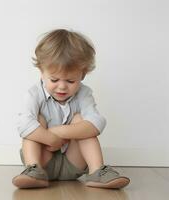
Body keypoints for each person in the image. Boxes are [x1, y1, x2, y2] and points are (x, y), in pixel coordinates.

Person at [12, 29, 130, 189]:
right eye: (54, 79)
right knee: (36, 121)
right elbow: (23, 125)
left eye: (70, 80)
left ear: (83, 75)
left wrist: (59, 132)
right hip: (43, 161)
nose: (62, 86)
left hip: (73, 163)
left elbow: (97, 123)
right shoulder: (34, 94)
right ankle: (33, 171)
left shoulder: (84, 93)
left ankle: (97, 172)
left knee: (81, 121)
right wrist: (50, 138)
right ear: (41, 72)